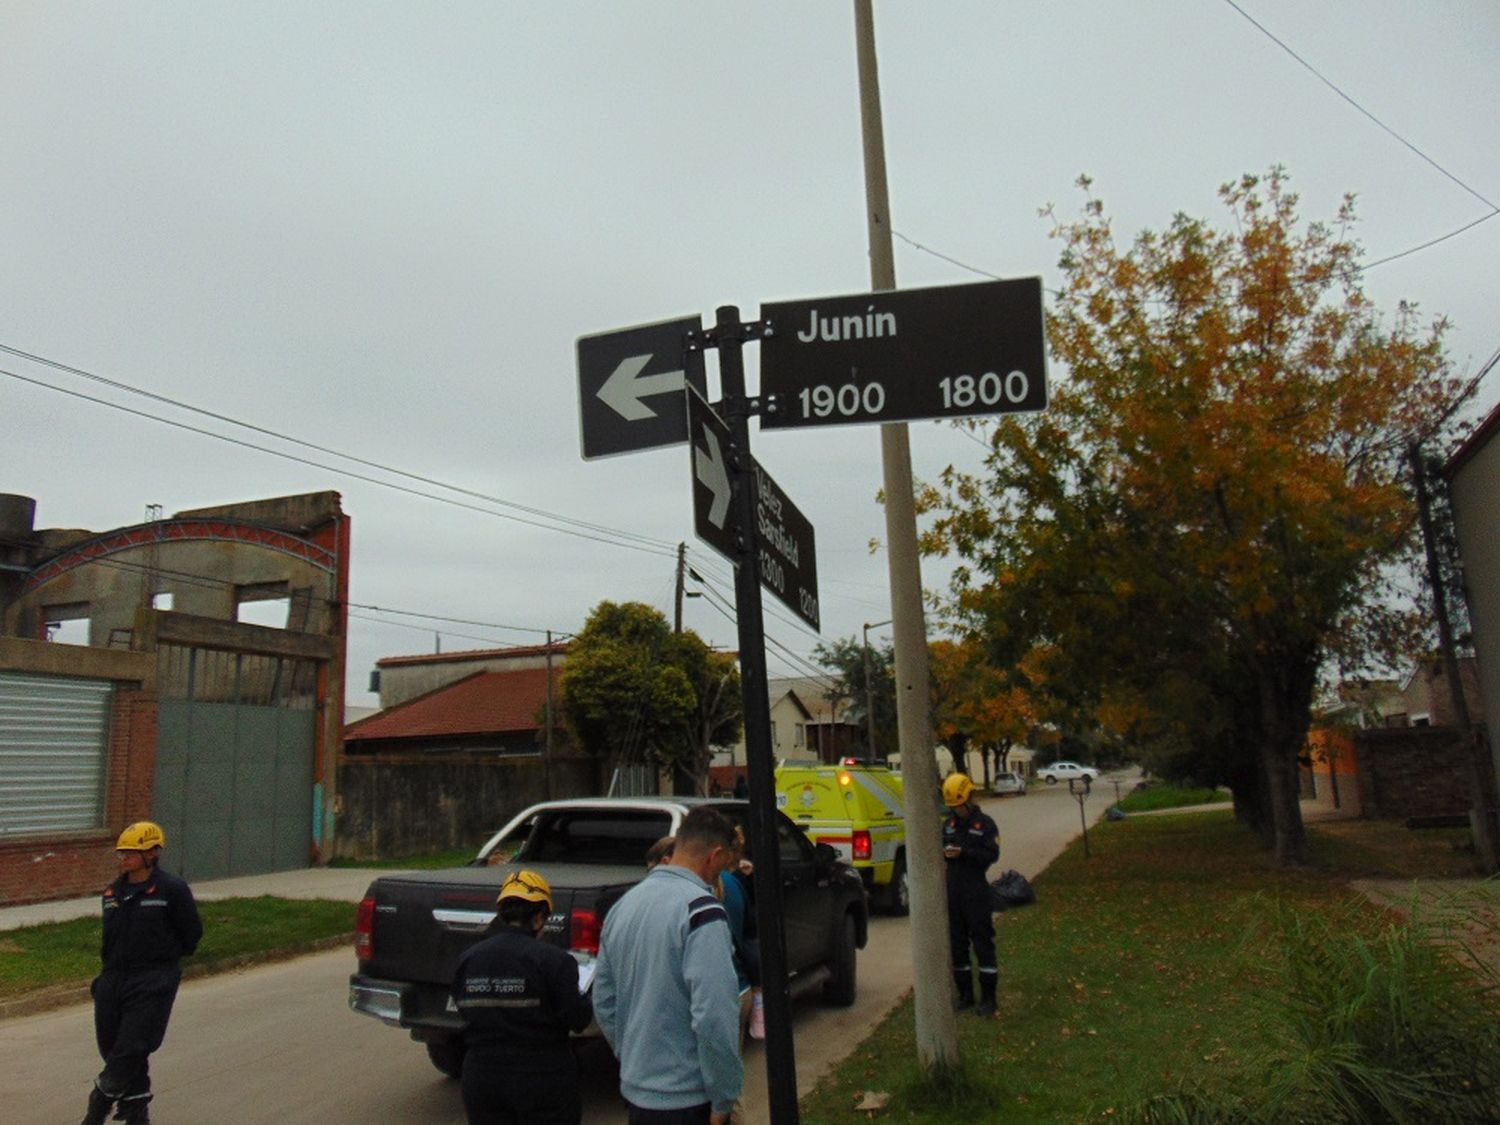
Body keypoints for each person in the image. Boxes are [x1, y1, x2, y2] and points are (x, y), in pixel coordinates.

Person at [594, 806, 743, 1125]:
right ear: (714, 856)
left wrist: (633, 1055)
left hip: (638, 1092)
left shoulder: (624, 906)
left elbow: (604, 1000)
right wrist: (723, 1097)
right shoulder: (703, 913)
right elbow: (715, 1015)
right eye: (724, 867)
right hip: (689, 1097)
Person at [81, 821, 202, 1125]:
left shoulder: (171, 890)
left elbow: (191, 934)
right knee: (111, 1046)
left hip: (153, 978)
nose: (123, 859)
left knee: (133, 1044)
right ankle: (136, 1110)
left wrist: (164, 960)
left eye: (131, 853)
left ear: (152, 853)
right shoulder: (112, 892)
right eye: (121, 853)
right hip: (113, 979)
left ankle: (99, 1102)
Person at [450, 869, 593, 1125]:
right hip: (543, 1077)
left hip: (481, 1077)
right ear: (539, 918)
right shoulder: (556, 961)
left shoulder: (469, 958)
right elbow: (578, 1018)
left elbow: (462, 1008)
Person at [941, 773, 1001, 1017]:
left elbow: (991, 855)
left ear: (969, 799)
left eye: (959, 806)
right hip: (953, 891)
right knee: (958, 947)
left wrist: (965, 853)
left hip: (975, 891)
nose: (957, 811)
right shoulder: (948, 824)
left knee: (983, 944)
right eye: (953, 807)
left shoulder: (984, 824)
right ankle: (965, 994)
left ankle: (989, 998)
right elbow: (940, 847)